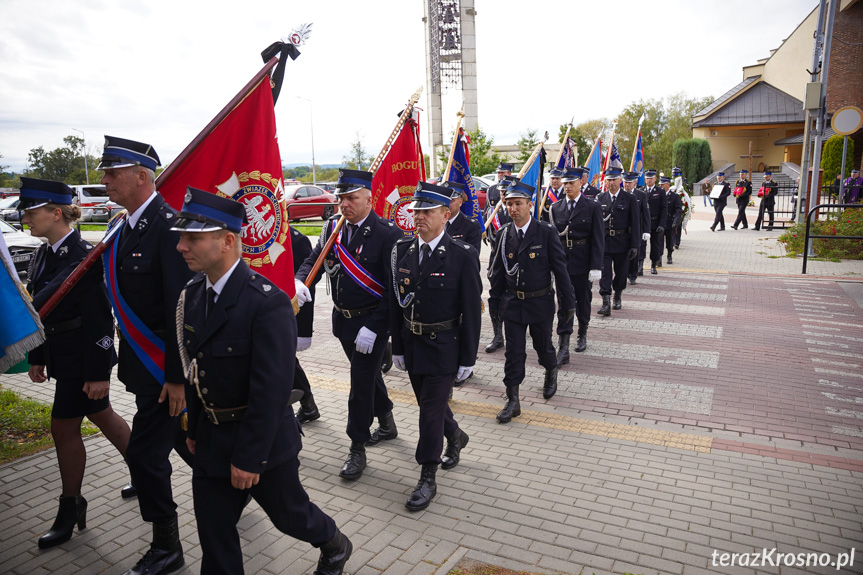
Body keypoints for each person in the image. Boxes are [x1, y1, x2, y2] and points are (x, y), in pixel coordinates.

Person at [173, 188, 352, 575]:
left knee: (291, 516)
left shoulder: (266, 302)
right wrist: (195, 428)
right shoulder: (192, 294)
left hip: (261, 441)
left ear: (227, 241)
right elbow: (195, 368)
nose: (181, 246)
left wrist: (249, 457)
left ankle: (334, 542)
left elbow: (270, 391)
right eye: (182, 236)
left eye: (192, 237)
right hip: (212, 439)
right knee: (214, 533)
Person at [97, 136, 194, 575]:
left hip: (164, 367)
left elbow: (180, 308)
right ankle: (241, 482)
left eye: (112, 173)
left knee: (144, 455)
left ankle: (167, 545)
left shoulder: (167, 227)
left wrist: (176, 376)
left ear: (141, 176)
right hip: (141, 363)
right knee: (181, 441)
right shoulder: (123, 226)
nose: (104, 180)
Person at [19, 178, 132, 550]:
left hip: (83, 361)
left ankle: (71, 506)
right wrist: (38, 355)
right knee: (104, 419)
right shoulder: (43, 254)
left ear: (56, 213)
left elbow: (100, 318)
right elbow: (42, 310)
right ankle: (149, 475)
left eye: (32, 211)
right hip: (62, 357)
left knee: (62, 429)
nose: (26, 217)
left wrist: (99, 373)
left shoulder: (85, 255)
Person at [294, 169, 402, 481]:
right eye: (341, 198)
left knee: (359, 384)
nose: (345, 204)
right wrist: (301, 281)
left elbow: (393, 289)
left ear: (370, 199)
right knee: (366, 377)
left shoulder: (387, 234)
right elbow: (312, 260)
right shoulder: (332, 228)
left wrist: (377, 327)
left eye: (352, 198)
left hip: (371, 323)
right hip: (343, 320)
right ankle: (387, 421)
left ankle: (357, 445)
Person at [387, 181, 481, 511]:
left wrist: (468, 358)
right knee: (433, 408)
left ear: (445, 214)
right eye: (416, 211)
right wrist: (396, 346)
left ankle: (428, 475)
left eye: (427, 211)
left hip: (445, 347)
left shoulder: (462, 256)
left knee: (428, 414)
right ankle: (455, 436)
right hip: (413, 345)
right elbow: (395, 305)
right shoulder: (403, 251)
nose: (419, 217)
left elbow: (471, 310)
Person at [488, 180, 575, 422]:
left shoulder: (545, 232)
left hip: (540, 304)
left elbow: (560, 271)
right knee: (513, 354)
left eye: (518, 203)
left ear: (530, 204)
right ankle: (513, 400)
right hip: (513, 304)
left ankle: (551, 370)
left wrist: (568, 305)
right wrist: (494, 305)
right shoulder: (503, 235)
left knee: (543, 347)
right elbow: (497, 273)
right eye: (509, 204)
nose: (513, 208)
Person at [549, 167, 603, 364]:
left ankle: (582, 331)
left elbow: (598, 238)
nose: (567, 187)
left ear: (580, 182)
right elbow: (553, 240)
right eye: (564, 184)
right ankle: (564, 344)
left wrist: (596, 266)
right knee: (564, 302)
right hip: (563, 262)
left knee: (583, 299)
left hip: (583, 261)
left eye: (571, 183)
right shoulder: (556, 208)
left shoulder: (592, 207)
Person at [596, 168, 640, 315]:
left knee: (621, 273)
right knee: (605, 273)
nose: (611, 183)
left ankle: (618, 294)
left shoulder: (629, 199)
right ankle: (606, 301)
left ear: (620, 181)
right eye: (608, 180)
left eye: (614, 179)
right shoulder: (600, 198)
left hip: (623, 242)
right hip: (605, 243)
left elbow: (635, 224)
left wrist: (635, 245)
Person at [290, 224, 320, 424]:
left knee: (284, 358)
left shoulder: (296, 240)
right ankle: (308, 405)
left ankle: (308, 404)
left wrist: (303, 330)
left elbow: (306, 288)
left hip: (282, 313)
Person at [624, 171, 651, 284]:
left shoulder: (641, 195)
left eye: (629, 182)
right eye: (625, 182)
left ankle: (632, 275)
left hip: (636, 229)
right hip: (623, 230)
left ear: (634, 183)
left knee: (634, 253)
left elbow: (645, 214)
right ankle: (624, 273)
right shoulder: (620, 194)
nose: (627, 185)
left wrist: (646, 230)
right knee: (623, 254)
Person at [444, 181, 482, 253]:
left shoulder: (471, 226)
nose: (447, 204)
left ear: (460, 202)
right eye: (444, 200)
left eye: (451, 200)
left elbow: (472, 258)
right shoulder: (434, 222)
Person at [643, 170, 668, 274]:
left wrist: (662, 224)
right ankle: (640, 264)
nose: (649, 180)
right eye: (647, 178)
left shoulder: (660, 191)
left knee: (655, 245)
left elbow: (664, 209)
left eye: (651, 178)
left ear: (655, 179)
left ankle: (653, 264)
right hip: (643, 223)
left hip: (655, 222)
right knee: (641, 245)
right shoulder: (641, 191)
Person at [662, 176, 682, 264]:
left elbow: (678, 210)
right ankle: (658, 257)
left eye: (663, 184)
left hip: (670, 222)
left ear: (668, 184)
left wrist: (676, 221)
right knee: (658, 242)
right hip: (661, 222)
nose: (661, 186)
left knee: (670, 241)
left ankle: (669, 255)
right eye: (660, 184)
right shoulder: (658, 195)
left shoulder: (674, 196)